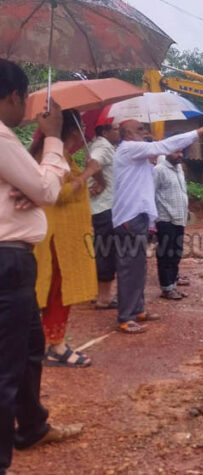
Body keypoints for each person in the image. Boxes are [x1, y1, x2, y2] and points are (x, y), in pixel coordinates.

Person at [0, 59, 82, 475]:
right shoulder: (1, 136)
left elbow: (33, 186)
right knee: (7, 367)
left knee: (30, 348)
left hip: (14, 261)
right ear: (15, 96)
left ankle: (31, 425)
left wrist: (31, 183)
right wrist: (51, 140)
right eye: (24, 101)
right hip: (7, 261)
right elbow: (49, 189)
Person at [112, 118, 203, 334]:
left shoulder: (137, 155)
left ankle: (137, 309)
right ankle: (125, 317)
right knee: (129, 270)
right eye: (140, 129)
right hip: (129, 218)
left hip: (138, 216)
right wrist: (198, 131)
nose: (145, 131)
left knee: (139, 268)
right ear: (128, 134)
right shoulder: (128, 149)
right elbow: (162, 146)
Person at [30, 110, 101, 368]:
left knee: (55, 293)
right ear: (73, 130)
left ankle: (52, 342)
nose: (85, 127)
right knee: (56, 292)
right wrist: (88, 173)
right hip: (56, 241)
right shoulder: (54, 155)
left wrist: (88, 180)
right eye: (81, 123)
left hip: (63, 237)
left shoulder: (63, 155)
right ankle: (56, 346)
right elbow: (58, 194)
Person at [88, 123, 120, 309]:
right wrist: (100, 182)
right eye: (115, 129)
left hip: (105, 207)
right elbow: (92, 163)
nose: (118, 132)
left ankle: (100, 294)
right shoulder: (102, 146)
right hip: (104, 208)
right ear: (104, 132)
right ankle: (103, 298)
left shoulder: (106, 146)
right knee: (106, 252)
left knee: (103, 250)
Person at [154, 151, 189, 300]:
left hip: (179, 219)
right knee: (165, 255)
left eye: (181, 152)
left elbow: (182, 192)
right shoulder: (159, 170)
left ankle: (173, 285)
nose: (180, 155)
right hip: (165, 219)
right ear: (167, 152)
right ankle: (166, 288)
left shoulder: (179, 169)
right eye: (176, 152)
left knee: (176, 254)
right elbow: (151, 193)